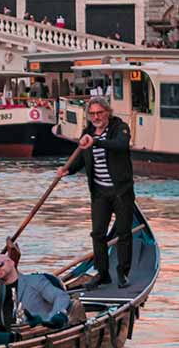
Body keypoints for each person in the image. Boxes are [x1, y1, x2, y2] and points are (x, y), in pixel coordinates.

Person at [56, 96, 134, 289]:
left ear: (107, 112)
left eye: (100, 112)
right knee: (98, 233)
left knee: (124, 232)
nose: (96, 117)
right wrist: (68, 169)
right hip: (99, 192)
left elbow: (120, 145)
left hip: (121, 191)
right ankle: (103, 273)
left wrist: (96, 142)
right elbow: (82, 157)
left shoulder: (120, 128)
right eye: (92, 113)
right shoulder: (88, 133)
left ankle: (123, 272)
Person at [0, 253, 71, 334]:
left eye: (0, 265)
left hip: (39, 334)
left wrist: (51, 319)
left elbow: (61, 297)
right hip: (11, 338)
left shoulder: (35, 281)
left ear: (11, 262)